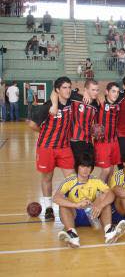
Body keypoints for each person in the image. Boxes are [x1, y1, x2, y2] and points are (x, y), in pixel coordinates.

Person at [54, 153, 125, 248]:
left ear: (92, 168)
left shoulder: (95, 180)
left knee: (105, 199)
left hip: (92, 215)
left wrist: (100, 206)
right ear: (77, 167)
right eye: (82, 166)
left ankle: (109, 232)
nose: (85, 170)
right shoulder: (69, 180)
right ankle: (72, 235)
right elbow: (56, 198)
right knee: (63, 204)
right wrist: (76, 205)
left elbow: (111, 194)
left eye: (88, 167)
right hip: (74, 216)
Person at [28, 77, 75, 220]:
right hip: (46, 147)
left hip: (64, 147)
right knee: (47, 178)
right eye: (64, 88)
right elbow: (31, 124)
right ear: (57, 90)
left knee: (72, 179)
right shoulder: (48, 106)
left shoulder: (71, 100)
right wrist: (43, 133)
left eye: (69, 87)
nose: (68, 90)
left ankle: (72, 204)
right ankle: (49, 208)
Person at [94, 82, 121, 182]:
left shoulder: (118, 104)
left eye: (117, 92)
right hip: (102, 142)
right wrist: (99, 95)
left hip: (114, 141)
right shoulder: (99, 103)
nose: (116, 94)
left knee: (112, 171)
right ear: (107, 92)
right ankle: (100, 192)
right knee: (106, 169)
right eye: (113, 91)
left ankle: (108, 193)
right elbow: (95, 94)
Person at [69, 79, 100, 163]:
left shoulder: (95, 104)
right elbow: (57, 91)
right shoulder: (75, 98)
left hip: (88, 141)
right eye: (93, 90)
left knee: (90, 166)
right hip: (75, 141)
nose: (95, 92)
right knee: (79, 168)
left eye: (97, 90)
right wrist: (83, 93)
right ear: (86, 89)